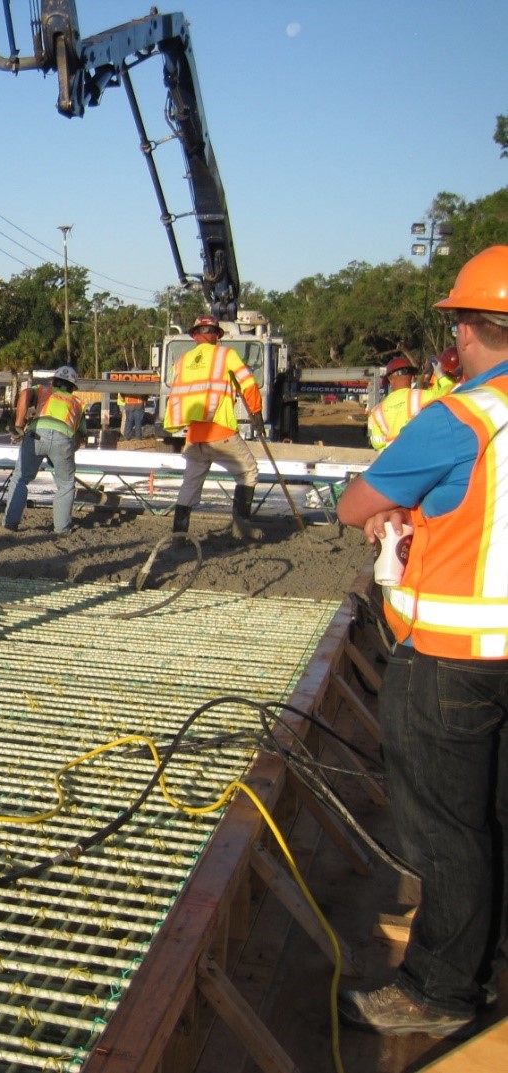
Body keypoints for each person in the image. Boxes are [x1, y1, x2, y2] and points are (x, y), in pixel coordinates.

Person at [335, 245, 508, 1037]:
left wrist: (390, 511)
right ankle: (486, 953)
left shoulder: (460, 416)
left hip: (449, 660)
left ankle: (439, 989)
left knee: (446, 831)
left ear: (470, 328)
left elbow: (354, 503)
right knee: (494, 818)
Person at [163, 314, 264, 539]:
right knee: (248, 472)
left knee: (189, 486)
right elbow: (248, 384)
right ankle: (241, 528)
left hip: (194, 436)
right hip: (220, 432)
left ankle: (178, 538)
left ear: (195, 335)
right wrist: (256, 413)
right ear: (217, 336)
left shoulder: (181, 362)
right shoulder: (226, 354)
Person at [2, 365, 84, 534]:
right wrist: (62, 456)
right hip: (64, 439)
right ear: (72, 386)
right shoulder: (77, 403)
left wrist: (19, 424)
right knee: (66, 484)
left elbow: (24, 394)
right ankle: (62, 529)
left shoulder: (43, 389)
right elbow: (78, 439)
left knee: (21, 479)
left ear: (54, 380)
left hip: (36, 434)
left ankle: (10, 524)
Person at [366, 356, 445, 451]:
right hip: (422, 457)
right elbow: (454, 394)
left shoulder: (377, 411)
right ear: (412, 378)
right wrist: (441, 376)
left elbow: (377, 444)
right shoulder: (427, 397)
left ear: (390, 380)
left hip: (394, 461)